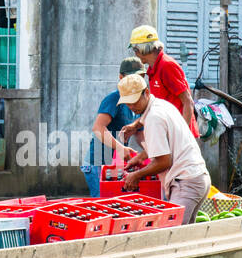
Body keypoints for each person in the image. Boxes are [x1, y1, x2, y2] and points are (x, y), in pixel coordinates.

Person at [117, 72, 211, 224]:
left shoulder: (154, 118)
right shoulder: (162, 105)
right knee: (185, 239)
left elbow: (164, 162)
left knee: (172, 236)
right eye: (128, 103)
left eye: (134, 101)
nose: (132, 107)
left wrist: (136, 175)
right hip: (197, 178)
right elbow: (166, 145)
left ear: (146, 93)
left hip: (185, 182)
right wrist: (140, 157)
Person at [121, 25, 199, 142]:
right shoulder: (153, 69)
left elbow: (188, 101)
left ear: (141, 49)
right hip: (166, 131)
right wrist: (135, 126)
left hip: (178, 136)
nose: (135, 54)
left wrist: (180, 135)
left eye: (135, 50)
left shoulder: (166, 66)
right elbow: (154, 106)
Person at [81, 57, 145, 196]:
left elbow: (139, 133)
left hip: (115, 165)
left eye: (140, 77)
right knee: (103, 206)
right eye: (132, 77)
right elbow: (98, 128)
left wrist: (150, 153)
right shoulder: (113, 98)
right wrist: (121, 148)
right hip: (98, 163)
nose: (135, 82)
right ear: (121, 77)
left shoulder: (138, 101)